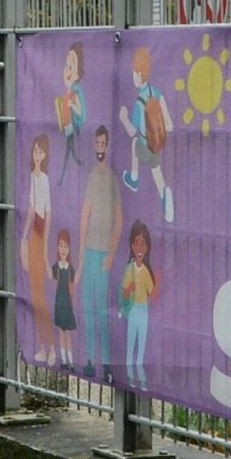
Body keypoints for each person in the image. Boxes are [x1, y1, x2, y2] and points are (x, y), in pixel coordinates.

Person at [79, 126, 124, 379]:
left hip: (104, 255)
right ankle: (89, 359)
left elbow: (119, 218)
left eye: (103, 143)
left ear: (108, 147)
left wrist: (111, 254)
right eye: (96, 143)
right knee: (87, 308)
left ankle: (107, 363)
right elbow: (85, 213)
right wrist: (82, 251)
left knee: (101, 308)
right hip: (90, 252)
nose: (99, 147)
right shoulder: (92, 177)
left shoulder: (112, 180)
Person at [119, 47, 174, 223]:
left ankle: (134, 177)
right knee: (157, 173)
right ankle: (165, 195)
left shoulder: (139, 102)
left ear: (140, 73)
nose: (133, 76)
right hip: (156, 144)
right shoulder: (156, 93)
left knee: (134, 143)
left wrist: (124, 118)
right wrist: (158, 131)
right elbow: (170, 125)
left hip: (144, 145)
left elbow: (131, 131)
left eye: (134, 72)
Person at [23, 135, 55, 364]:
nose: (37, 154)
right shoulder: (31, 178)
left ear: (45, 156)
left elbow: (47, 212)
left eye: (40, 152)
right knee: (34, 296)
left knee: (41, 297)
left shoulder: (44, 179)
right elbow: (31, 209)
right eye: (35, 151)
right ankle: (43, 347)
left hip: (41, 235)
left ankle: (51, 347)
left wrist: (44, 250)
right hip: (33, 235)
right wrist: (24, 236)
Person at [119, 220, 158, 391]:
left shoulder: (146, 271)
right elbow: (124, 294)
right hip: (134, 310)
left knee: (141, 348)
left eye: (143, 243)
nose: (140, 247)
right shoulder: (130, 269)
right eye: (137, 243)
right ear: (132, 246)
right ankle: (130, 377)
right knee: (131, 346)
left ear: (147, 247)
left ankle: (142, 379)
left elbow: (152, 291)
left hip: (144, 310)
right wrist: (130, 289)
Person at [55, 42, 87, 185]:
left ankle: (63, 177)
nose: (67, 72)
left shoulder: (75, 92)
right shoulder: (67, 93)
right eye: (66, 67)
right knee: (70, 153)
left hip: (72, 130)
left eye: (71, 68)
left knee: (69, 154)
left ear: (77, 74)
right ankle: (78, 165)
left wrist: (72, 105)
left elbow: (80, 111)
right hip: (67, 129)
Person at [51, 228, 78, 369]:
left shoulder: (69, 268)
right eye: (61, 245)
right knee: (61, 333)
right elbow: (51, 277)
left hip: (67, 302)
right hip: (59, 302)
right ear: (57, 247)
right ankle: (64, 361)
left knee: (67, 333)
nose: (63, 249)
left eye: (66, 246)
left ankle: (71, 361)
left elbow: (73, 284)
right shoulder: (56, 267)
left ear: (69, 249)